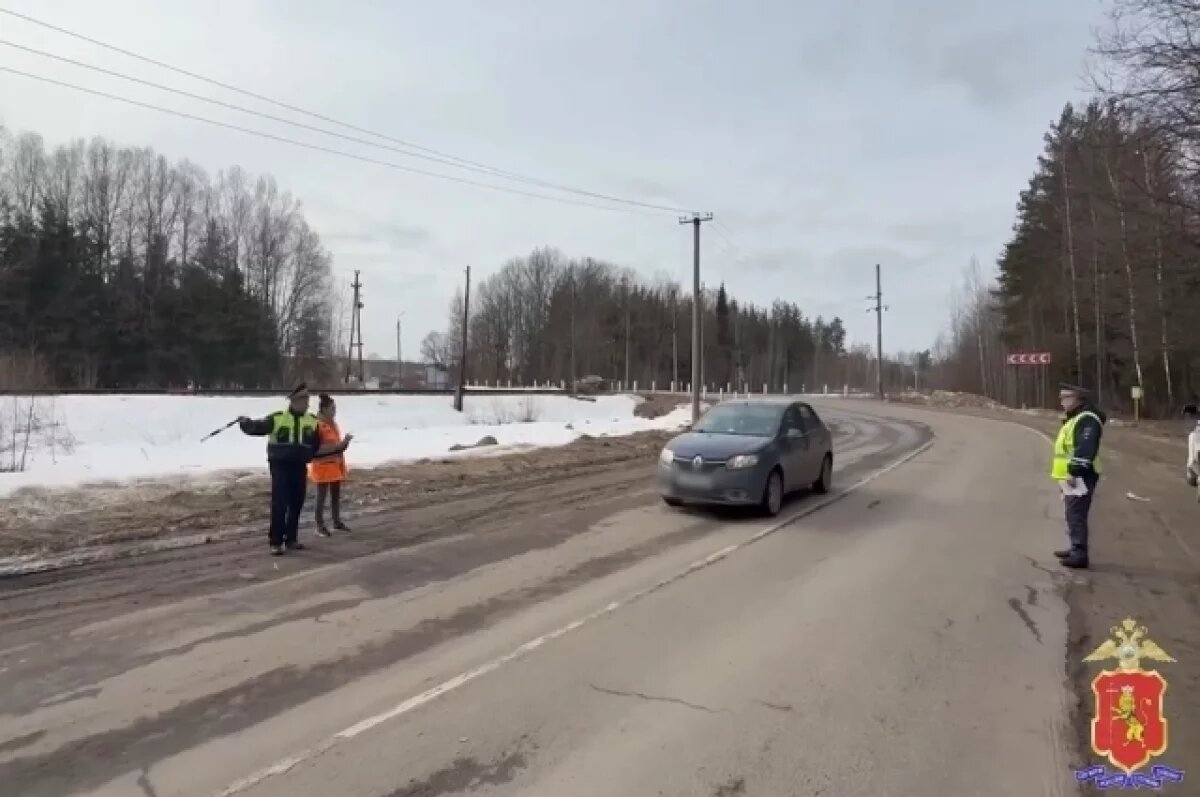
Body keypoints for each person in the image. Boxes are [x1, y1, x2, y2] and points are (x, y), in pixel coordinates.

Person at [237, 383, 351, 555]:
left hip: (299, 466)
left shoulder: (311, 421)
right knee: (280, 503)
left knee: (296, 503)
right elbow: (258, 428)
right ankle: (276, 541)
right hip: (280, 466)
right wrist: (246, 424)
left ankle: (291, 539)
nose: (307, 403)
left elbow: (316, 448)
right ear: (295, 401)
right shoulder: (278, 418)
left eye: (308, 400)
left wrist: (339, 448)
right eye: (305, 400)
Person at [1051, 383, 1106, 569]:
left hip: (1080, 474)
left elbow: (1085, 447)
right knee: (1071, 512)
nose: (1061, 401)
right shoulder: (1075, 418)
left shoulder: (1087, 419)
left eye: (1065, 397)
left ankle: (1079, 553)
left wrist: (1076, 470)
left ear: (1077, 398)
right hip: (1072, 474)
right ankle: (1075, 546)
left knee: (1076, 513)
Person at [310, 393, 352, 536]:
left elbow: (336, 446)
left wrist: (344, 444)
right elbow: (315, 449)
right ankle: (319, 525)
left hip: (335, 465)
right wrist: (339, 446)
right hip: (322, 467)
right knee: (321, 497)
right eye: (332, 408)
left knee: (335, 495)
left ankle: (336, 521)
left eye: (335, 408)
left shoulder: (332, 424)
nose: (334, 411)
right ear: (324, 409)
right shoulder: (317, 425)